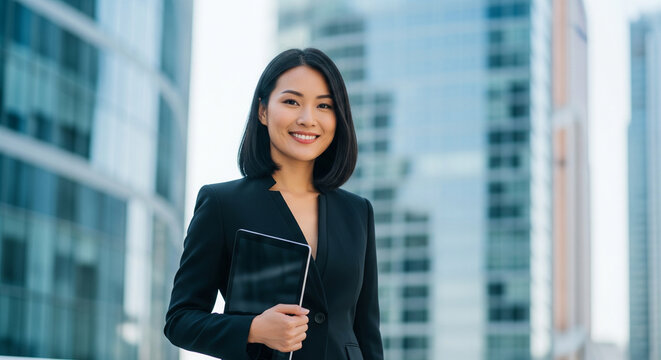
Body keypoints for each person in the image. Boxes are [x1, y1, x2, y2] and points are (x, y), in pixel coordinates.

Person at [164, 48, 383, 360]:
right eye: (292, 101)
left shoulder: (358, 212)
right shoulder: (223, 204)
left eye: (324, 105)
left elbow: (367, 332)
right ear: (263, 111)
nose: (308, 119)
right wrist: (253, 329)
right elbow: (180, 320)